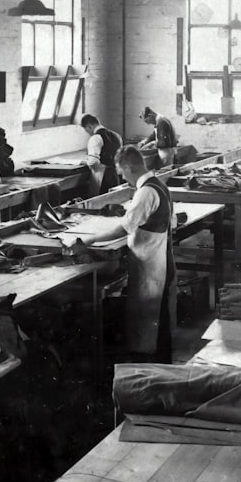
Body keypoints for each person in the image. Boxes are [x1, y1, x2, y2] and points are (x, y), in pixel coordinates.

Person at [79, 145, 176, 362]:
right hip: (158, 260)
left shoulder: (146, 192)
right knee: (157, 320)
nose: (123, 178)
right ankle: (161, 365)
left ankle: (149, 369)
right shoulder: (159, 185)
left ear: (130, 167)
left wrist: (91, 239)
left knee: (148, 323)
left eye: (122, 172)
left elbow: (124, 227)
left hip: (150, 266)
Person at [80, 113, 124, 195]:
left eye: (87, 130)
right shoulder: (117, 136)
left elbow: (93, 162)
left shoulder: (95, 138)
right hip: (117, 174)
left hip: (103, 177)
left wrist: (86, 162)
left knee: (101, 199)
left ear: (89, 126)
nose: (88, 133)